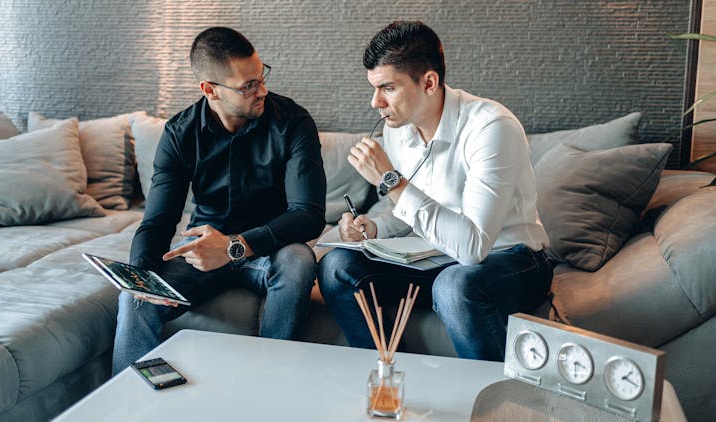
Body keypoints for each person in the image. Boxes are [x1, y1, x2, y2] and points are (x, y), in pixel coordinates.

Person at [318, 21, 552, 362]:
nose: (375, 102)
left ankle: (493, 405)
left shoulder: (490, 127)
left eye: (387, 88)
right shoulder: (399, 131)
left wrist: (391, 180)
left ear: (429, 82)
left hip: (511, 260)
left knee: (455, 286)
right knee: (336, 266)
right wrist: (371, 227)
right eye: (374, 88)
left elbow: (472, 248)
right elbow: (412, 211)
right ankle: (389, 376)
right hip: (437, 257)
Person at [112, 27, 326, 374]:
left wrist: (233, 246)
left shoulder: (293, 122)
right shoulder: (180, 133)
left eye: (260, 77)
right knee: (134, 299)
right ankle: (127, 406)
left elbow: (309, 214)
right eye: (248, 86)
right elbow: (158, 221)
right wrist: (143, 277)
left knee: (299, 259)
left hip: (270, 250)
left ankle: (273, 382)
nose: (262, 91)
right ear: (210, 90)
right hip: (201, 252)